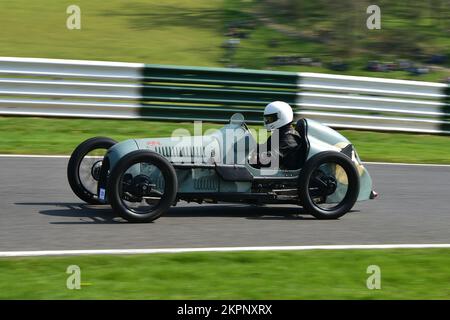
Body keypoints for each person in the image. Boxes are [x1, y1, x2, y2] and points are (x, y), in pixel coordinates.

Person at [254, 101, 302, 170]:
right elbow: (265, 147)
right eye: (267, 119)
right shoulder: (280, 133)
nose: (267, 122)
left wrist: (256, 157)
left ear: (282, 117)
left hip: (283, 176)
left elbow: (272, 156)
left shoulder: (289, 138)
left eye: (270, 119)